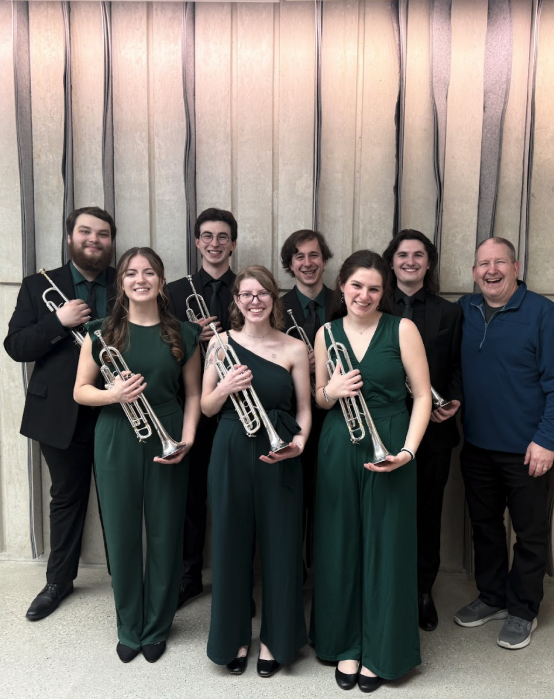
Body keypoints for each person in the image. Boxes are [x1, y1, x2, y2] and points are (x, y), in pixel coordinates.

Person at [311, 250, 432, 692]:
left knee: (387, 547)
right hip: (338, 444)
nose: (364, 295)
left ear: (385, 293)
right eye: (357, 286)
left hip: (391, 443)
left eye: (374, 289)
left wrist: (408, 451)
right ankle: (345, 643)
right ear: (342, 286)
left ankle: (383, 650)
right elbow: (319, 398)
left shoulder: (403, 329)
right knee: (339, 543)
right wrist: (330, 390)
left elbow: (422, 396)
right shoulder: (325, 332)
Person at [73, 247, 202, 662]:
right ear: (122, 282)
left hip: (168, 432)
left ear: (161, 281)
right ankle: (128, 626)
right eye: (131, 273)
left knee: (166, 533)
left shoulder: (184, 333)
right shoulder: (99, 333)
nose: (140, 279)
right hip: (116, 434)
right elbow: (81, 391)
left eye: (149, 273)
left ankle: (157, 626)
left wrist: (187, 439)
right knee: (122, 533)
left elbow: (194, 394)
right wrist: (113, 394)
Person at [454, 237, 554, 650]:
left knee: (529, 533)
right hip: (476, 445)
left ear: (516, 267)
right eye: (483, 264)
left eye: (500, 262)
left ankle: (523, 609)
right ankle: (492, 597)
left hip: (528, 449)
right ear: (474, 273)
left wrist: (547, 440)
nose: (491, 270)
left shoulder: (544, 315)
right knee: (484, 528)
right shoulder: (465, 310)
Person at [4, 206, 116, 621]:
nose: (94, 240)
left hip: (115, 407)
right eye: (85, 231)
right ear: (70, 237)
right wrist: (57, 321)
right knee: (66, 497)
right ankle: (58, 582)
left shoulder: (125, 282)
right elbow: (16, 346)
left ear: (111, 241)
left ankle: (123, 577)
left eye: (102, 234)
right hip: (59, 412)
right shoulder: (38, 285)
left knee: (117, 498)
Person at [201, 265, 311, 677]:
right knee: (230, 545)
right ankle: (233, 638)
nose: (255, 301)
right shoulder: (220, 344)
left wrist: (299, 443)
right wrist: (225, 387)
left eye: (262, 293)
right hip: (231, 447)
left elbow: (304, 409)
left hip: (280, 450)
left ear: (273, 297)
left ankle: (275, 641)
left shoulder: (293, 348)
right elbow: (206, 407)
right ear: (236, 301)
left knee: (282, 546)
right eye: (246, 294)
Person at [381, 230, 463, 632]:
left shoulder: (450, 312)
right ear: (391, 262)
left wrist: (454, 399)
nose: (410, 261)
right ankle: (385, 587)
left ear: (428, 262)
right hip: (385, 425)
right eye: (402, 255)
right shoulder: (375, 304)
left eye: (418, 255)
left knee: (427, 514)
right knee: (386, 511)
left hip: (434, 431)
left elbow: (459, 365)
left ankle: (421, 591)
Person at [165, 208, 238, 609]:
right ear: (196, 242)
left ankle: (233, 578)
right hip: (189, 405)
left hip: (234, 408)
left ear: (233, 243)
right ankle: (189, 576)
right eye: (207, 236)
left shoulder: (246, 287)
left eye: (223, 236)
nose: (214, 243)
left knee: (232, 498)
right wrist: (193, 334)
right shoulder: (174, 292)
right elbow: (161, 346)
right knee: (190, 498)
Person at [278, 229, 335, 571]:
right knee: (292, 498)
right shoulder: (276, 307)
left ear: (324, 259)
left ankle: (327, 570)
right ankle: (294, 572)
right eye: (299, 256)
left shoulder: (344, 301)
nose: (307, 262)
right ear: (290, 263)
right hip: (291, 417)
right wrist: (296, 365)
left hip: (336, 416)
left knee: (331, 498)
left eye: (314, 255)